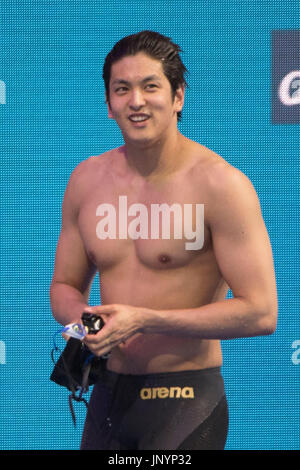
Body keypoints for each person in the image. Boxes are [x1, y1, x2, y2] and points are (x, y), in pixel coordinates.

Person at [50, 30, 278, 450]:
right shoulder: (86, 181)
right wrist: (86, 322)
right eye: (122, 89)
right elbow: (64, 287)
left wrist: (145, 319)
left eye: (150, 86)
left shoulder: (221, 186)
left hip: (186, 399)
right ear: (109, 104)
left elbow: (261, 313)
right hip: (107, 395)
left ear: (178, 98)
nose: (136, 100)